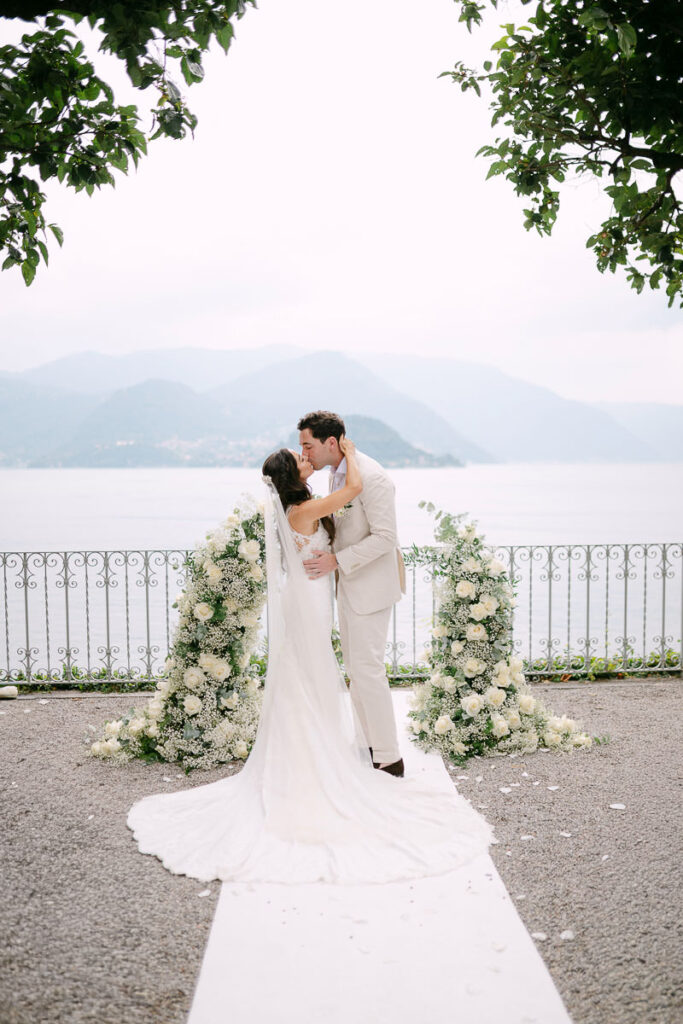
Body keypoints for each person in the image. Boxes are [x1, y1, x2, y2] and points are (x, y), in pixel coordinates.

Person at [126, 438, 494, 885]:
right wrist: (350, 453)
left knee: (308, 667)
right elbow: (352, 490)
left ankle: (316, 745)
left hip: (313, 593)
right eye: (300, 457)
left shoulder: (301, 507)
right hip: (307, 597)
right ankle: (310, 757)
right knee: (308, 667)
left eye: (306, 451)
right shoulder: (302, 511)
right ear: (291, 474)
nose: (306, 459)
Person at [298, 411, 406, 776]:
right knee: (356, 670)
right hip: (348, 584)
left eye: (308, 445)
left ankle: (390, 757)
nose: (304, 453)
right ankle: (368, 743)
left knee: (368, 669)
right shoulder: (336, 473)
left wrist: (336, 561)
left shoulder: (372, 477)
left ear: (330, 442)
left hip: (370, 587)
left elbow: (386, 537)